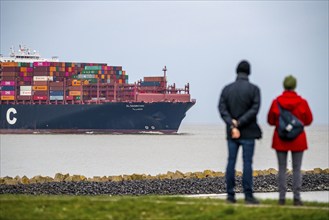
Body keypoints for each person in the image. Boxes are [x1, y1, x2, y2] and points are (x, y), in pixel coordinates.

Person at [218, 60, 262, 204]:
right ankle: (248, 196)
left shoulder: (227, 89)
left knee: (231, 162)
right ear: (248, 72)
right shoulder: (254, 90)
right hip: (248, 132)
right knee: (247, 163)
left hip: (232, 133)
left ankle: (230, 196)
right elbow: (254, 110)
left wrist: (232, 124)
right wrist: (240, 123)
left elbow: (222, 109)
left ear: (237, 71)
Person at [267, 75, 313, 206]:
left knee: (282, 169)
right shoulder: (302, 102)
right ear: (294, 86)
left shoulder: (276, 102)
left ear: (284, 86)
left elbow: (270, 121)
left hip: (280, 139)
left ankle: (282, 198)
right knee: (297, 169)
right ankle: (297, 198)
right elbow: (308, 120)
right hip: (298, 139)